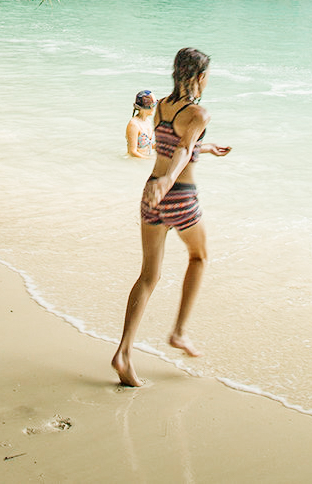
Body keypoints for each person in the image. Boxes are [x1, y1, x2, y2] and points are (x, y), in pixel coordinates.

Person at [112, 47, 231, 387]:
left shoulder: (163, 105)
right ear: (201, 77)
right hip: (179, 195)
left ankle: (123, 353)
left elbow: (170, 144)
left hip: (150, 194)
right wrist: (168, 181)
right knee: (199, 256)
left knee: (148, 275)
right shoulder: (199, 114)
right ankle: (179, 332)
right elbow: (182, 149)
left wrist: (206, 148)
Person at [126, 90, 155, 158]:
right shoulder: (134, 125)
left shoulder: (148, 121)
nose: (154, 108)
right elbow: (132, 152)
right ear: (146, 107)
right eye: (153, 105)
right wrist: (148, 159)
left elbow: (150, 145)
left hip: (146, 158)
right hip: (136, 161)